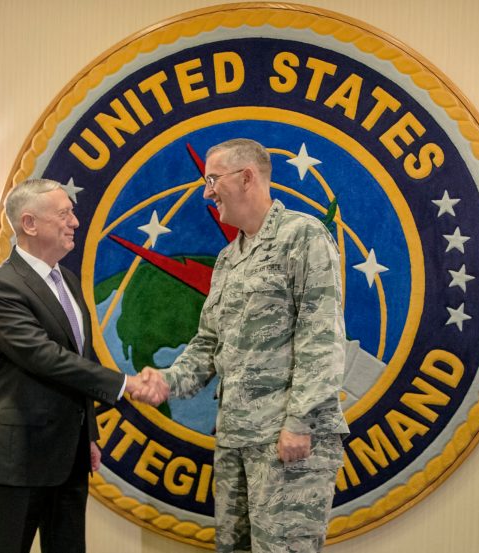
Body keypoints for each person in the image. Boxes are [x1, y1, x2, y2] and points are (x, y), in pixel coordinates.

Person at [134, 138, 349, 552]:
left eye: (212, 180)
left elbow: (321, 336)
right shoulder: (228, 258)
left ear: (247, 177)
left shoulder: (302, 236)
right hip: (236, 438)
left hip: (287, 440)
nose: (207, 192)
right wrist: (166, 380)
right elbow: (208, 343)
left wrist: (299, 422)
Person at [0, 178, 144, 553]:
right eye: (64, 214)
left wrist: (89, 434)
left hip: (70, 455)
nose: (75, 222)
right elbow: (47, 358)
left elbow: (79, 358)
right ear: (29, 223)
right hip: (19, 458)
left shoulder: (66, 279)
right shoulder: (2, 287)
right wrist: (125, 384)